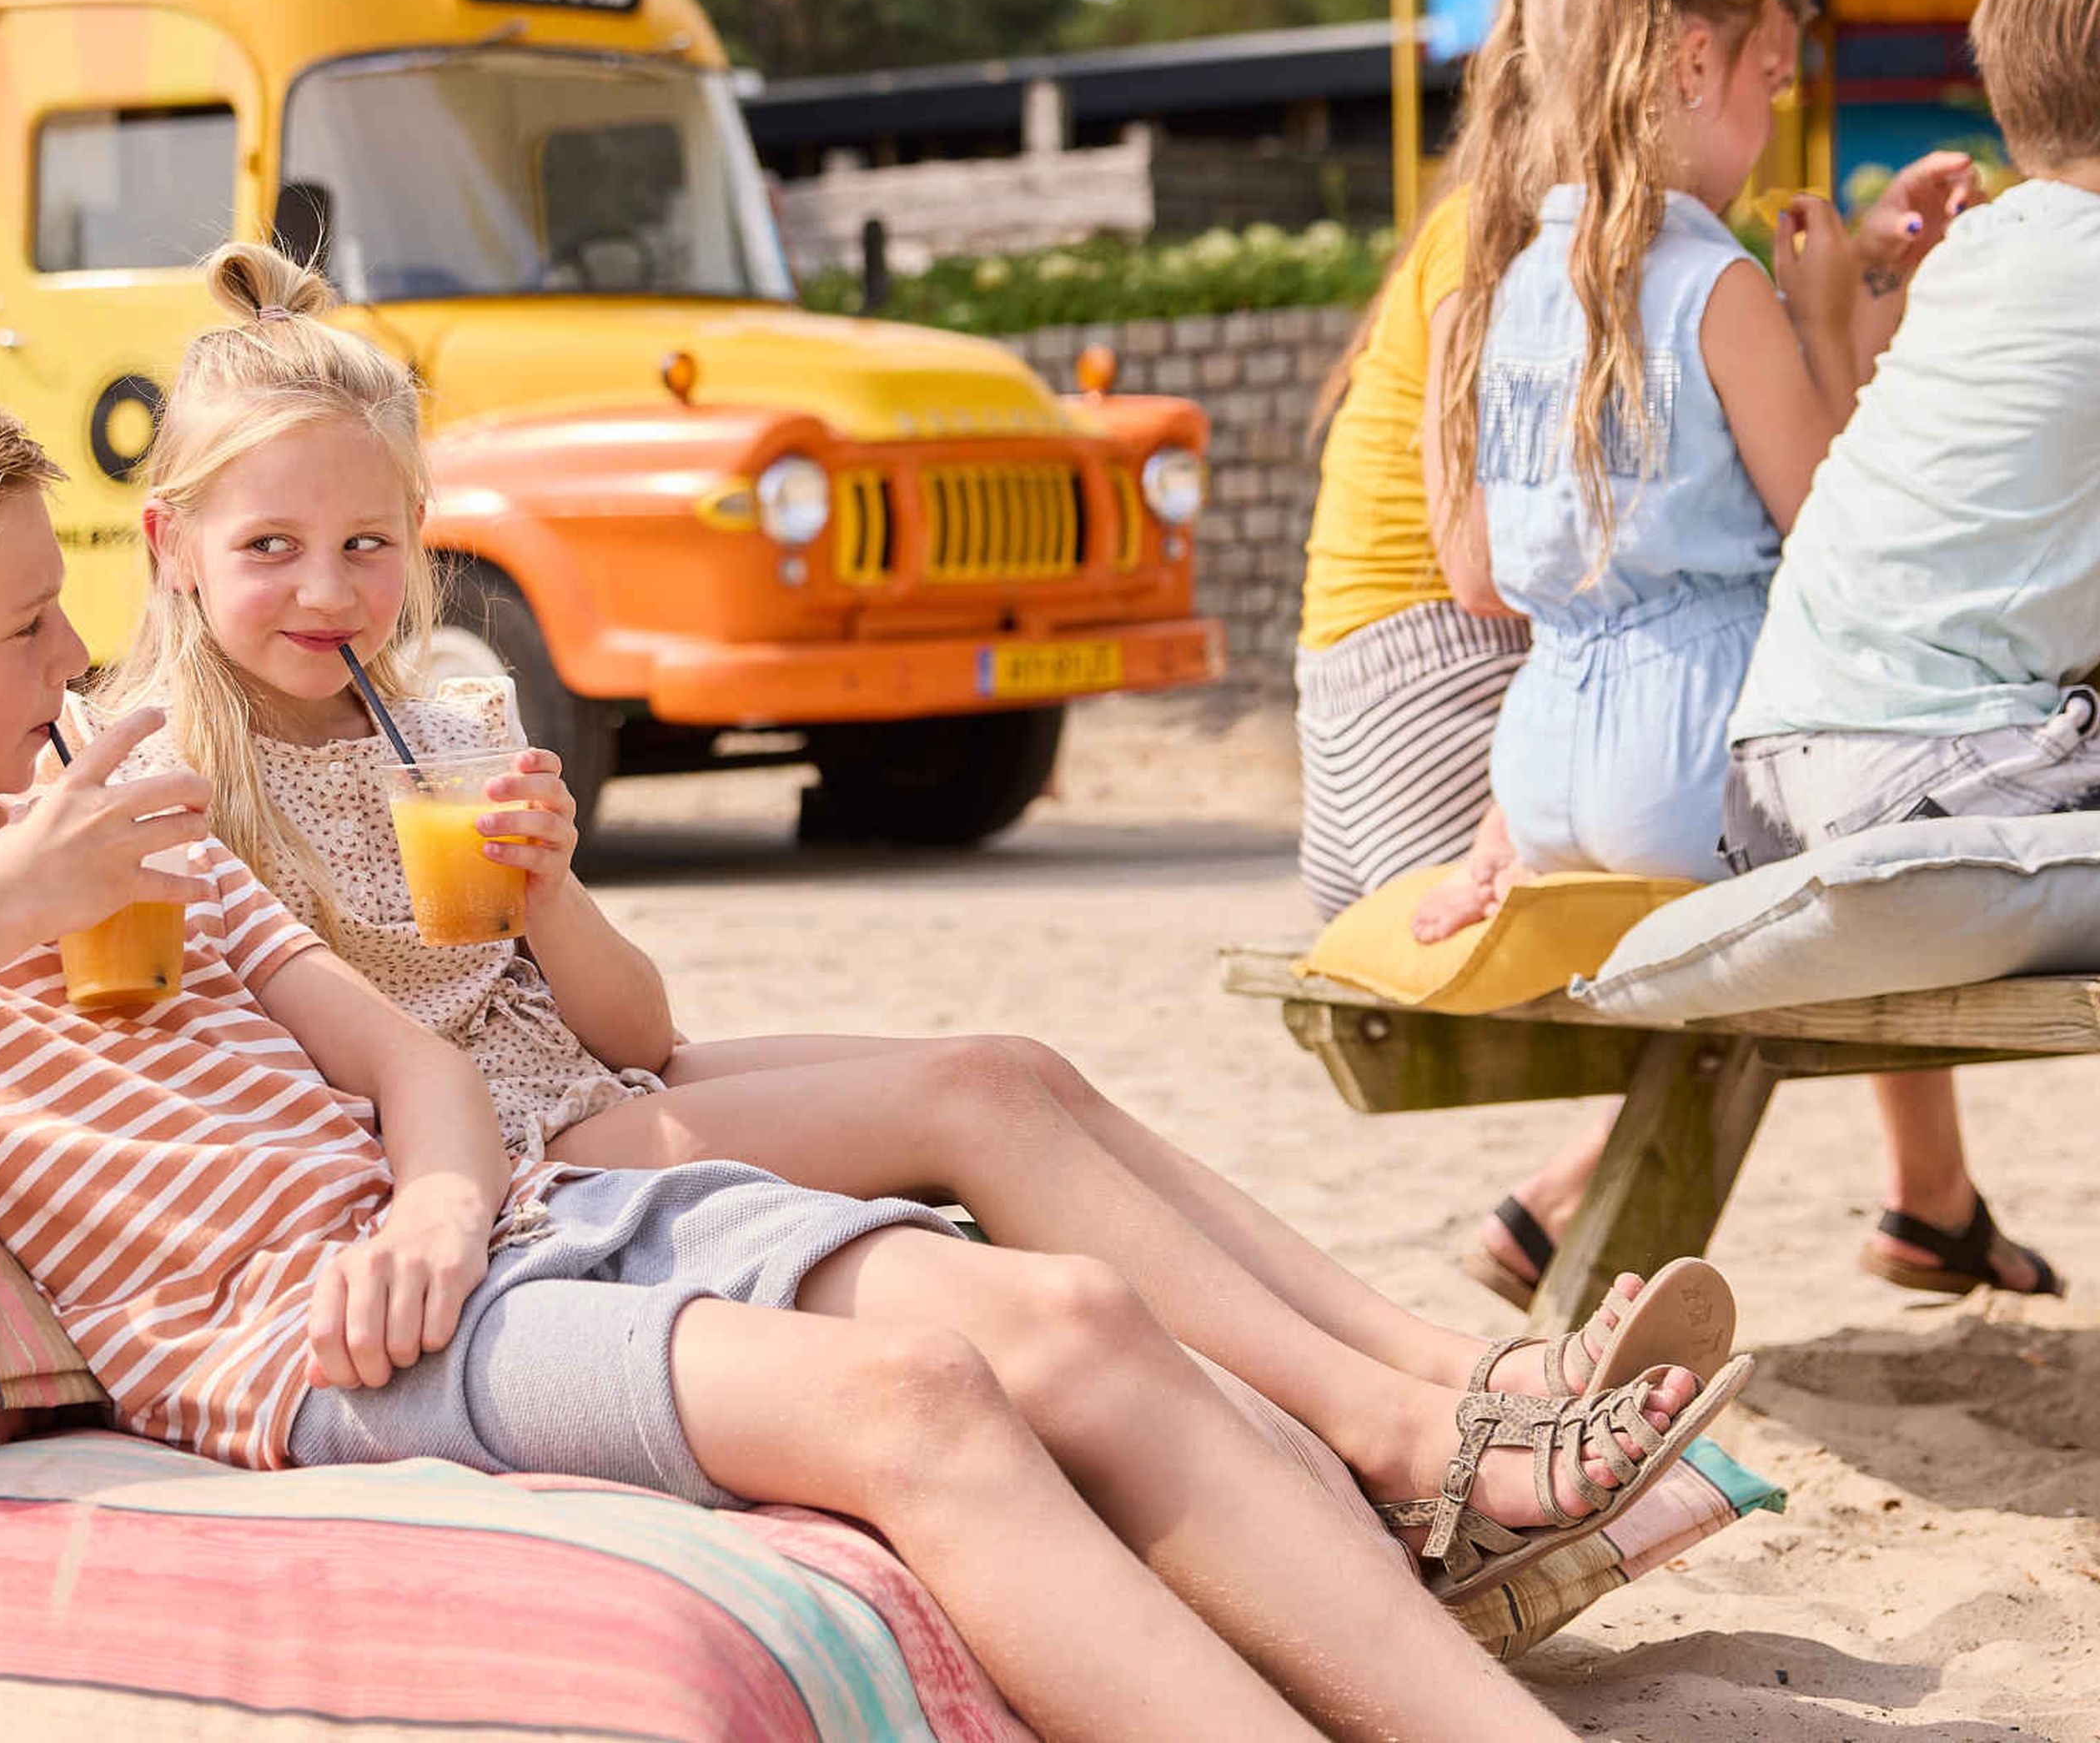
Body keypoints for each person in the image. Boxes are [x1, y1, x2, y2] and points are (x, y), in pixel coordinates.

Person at [0, 359, 1741, 1743]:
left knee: (1071, 1317)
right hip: (315, 1342)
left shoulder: (106, 809)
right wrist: (11, 897)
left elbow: (410, 1065)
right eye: (24, 632)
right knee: (912, 1389)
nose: (70, 658)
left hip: (510, 1208)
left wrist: (442, 1187)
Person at [94, 240, 1741, 1526]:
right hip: (503, 1158)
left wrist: (546, 892)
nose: (331, 590)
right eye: (269, 550)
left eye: (370, 545)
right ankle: (1412, 1429)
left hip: (582, 1078)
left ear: (420, 537)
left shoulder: (448, 710)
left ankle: (1461, 1362)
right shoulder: (166, 765)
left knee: (1018, 1070)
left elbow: (640, 1029)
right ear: (172, 545)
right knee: (968, 1098)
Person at [1418, 0, 1988, 1306]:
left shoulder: (1495, 288)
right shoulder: (1716, 285)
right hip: (1695, 771)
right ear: (1688, 64)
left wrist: (1501, 823)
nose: (1771, 118)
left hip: (1547, 773)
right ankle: (1895, 1201)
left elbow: (1485, 577)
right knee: (1940, 796)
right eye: (1768, 82)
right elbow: (1835, 535)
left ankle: (1919, 1201)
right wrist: (1834, 315)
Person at [1713, 0, 2100, 1298]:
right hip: (1916, 786)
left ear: (2001, 92)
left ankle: (1932, 1209)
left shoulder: (1978, 262)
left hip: (1768, 783)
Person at [1292, 0, 1544, 925]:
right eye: (1761, 79)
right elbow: (1477, 568)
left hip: (1357, 719)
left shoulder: (1469, 216)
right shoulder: (1495, 230)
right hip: (1436, 702)